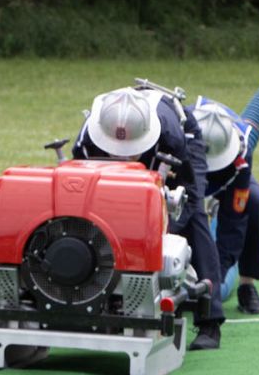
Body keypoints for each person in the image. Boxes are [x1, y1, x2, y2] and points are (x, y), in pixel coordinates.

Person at [71, 86, 227, 348]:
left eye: (130, 152)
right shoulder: (87, 141)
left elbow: (187, 195)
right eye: (115, 150)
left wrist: (163, 231)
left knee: (194, 215)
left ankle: (210, 321)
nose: (123, 156)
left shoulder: (172, 138)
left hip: (179, 145)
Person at [193, 98, 259, 315]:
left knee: (255, 204)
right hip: (187, 175)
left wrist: (215, 280)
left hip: (227, 178)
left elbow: (234, 224)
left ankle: (247, 285)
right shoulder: (176, 136)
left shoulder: (241, 152)